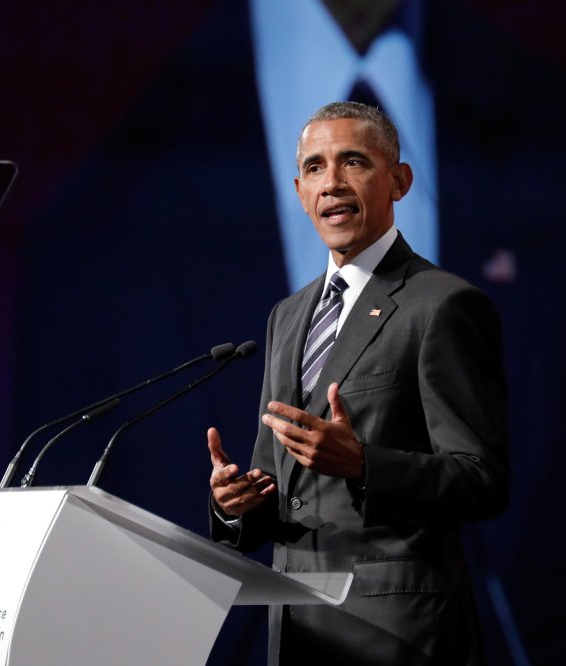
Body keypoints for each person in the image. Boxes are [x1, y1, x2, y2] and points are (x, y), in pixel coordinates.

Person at [208, 101, 509, 665]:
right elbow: (279, 487)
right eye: (316, 168)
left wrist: (364, 464)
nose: (333, 183)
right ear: (300, 191)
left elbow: (483, 479)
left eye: (354, 162)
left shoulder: (442, 304)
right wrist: (234, 504)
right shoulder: (288, 315)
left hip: (396, 633)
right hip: (296, 630)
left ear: (399, 180)